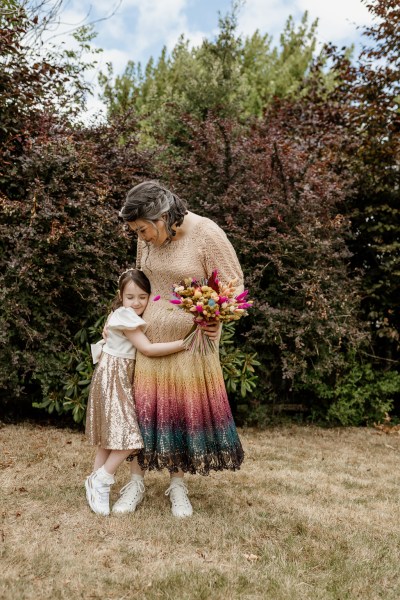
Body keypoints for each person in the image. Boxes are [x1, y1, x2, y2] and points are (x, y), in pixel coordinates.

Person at [112, 180, 245, 518]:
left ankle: (178, 485)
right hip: (148, 337)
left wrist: (218, 316)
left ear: (163, 216)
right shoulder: (146, 239)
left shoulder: (206, 234)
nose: (141, 237)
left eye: (143, 229)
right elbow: (141, 282)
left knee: (179, 412)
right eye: (136, 232)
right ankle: (135, 482)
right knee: (141, 411)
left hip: (191, 342)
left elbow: (233, 285)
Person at [85, 268, 186, 516]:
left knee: (110, 437)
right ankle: (103, 478)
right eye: (130, 297)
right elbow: (148, 349)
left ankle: (94, 481)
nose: (137, 302)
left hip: (113, 375)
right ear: (121, 296)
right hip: (114, 378)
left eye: (143, 296)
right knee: (131, 438)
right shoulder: (125, 316)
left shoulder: (119, 315)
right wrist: (185, 344)